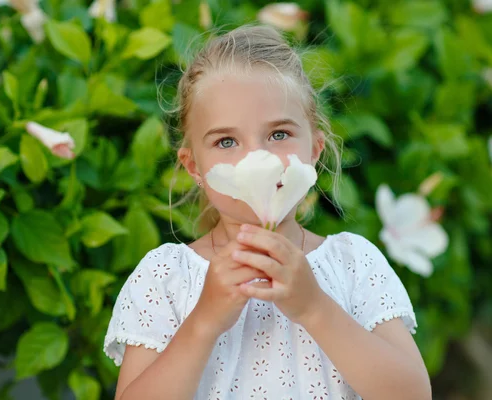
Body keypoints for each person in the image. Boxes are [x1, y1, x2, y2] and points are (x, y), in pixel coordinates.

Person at [103, 25, 431, 400]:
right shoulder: (166, 278)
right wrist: (203, 322)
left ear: (315, 149)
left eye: (278, 134)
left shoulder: (354, 265)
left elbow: (413, 394)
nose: (256, 158)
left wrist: (315, 308)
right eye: (226, 141)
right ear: (194, 167)